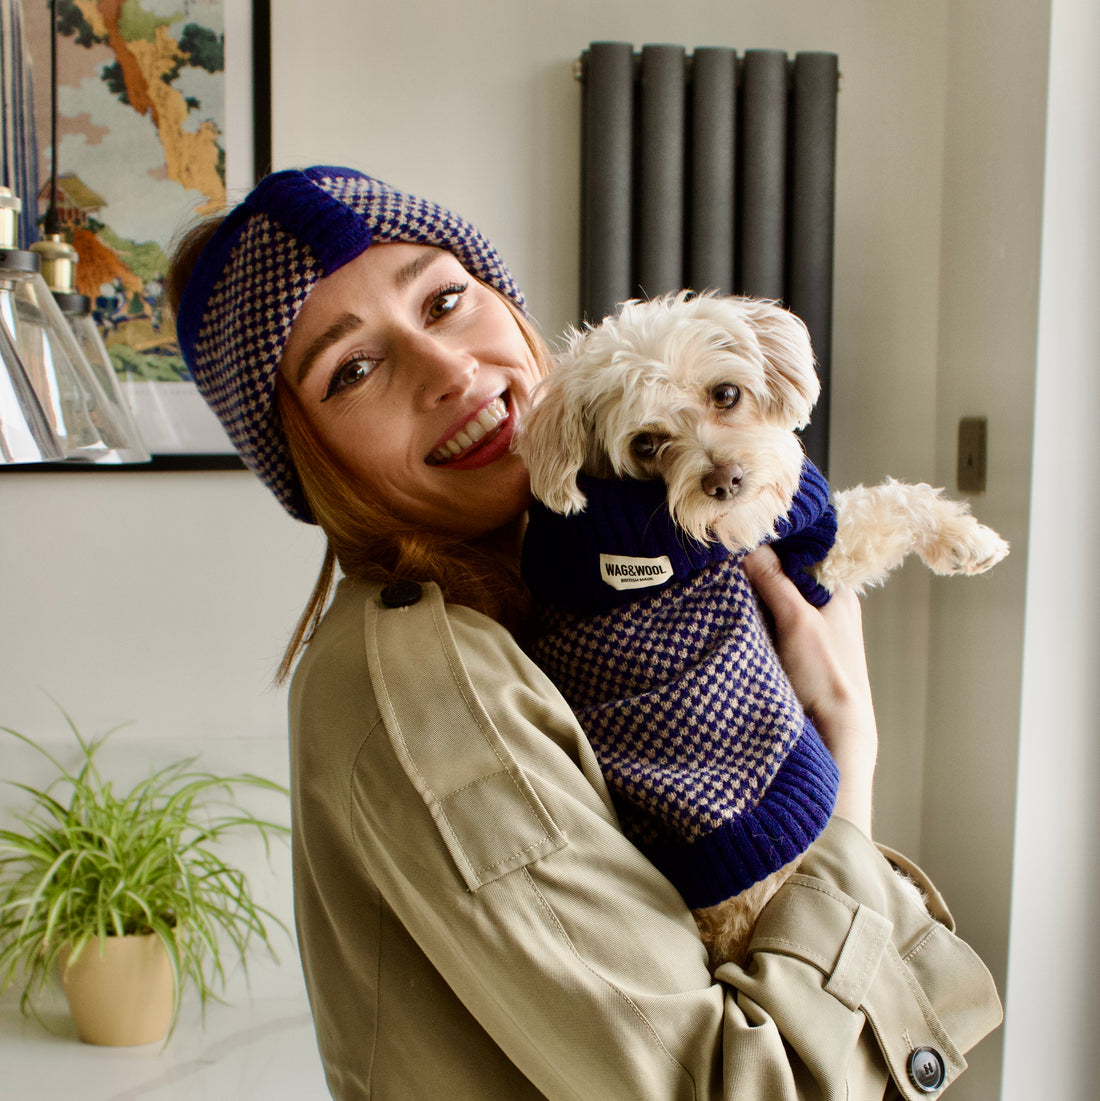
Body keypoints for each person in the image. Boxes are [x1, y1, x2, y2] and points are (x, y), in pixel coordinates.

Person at [168, 165, 1001, 1100]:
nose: (450, 371)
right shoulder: (426, 684)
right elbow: (727, 1084)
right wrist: (846, 754)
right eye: (352, 369)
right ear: (311, 461)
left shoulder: (578, 587)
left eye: (445, 299)